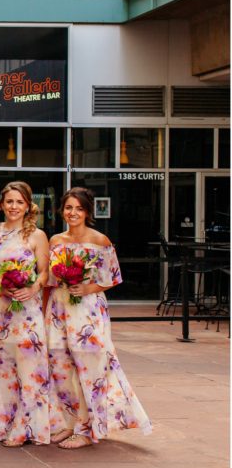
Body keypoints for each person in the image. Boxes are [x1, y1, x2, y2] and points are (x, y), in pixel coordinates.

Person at [45, 187, 151, 449]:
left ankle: (86, 429)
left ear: (87, 212)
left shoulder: (100, 240)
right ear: (62, 210)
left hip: (88, 310)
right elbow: (50, 280)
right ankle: (69, 422)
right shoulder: (55, 240)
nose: (73, 213)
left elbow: (113, 277)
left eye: (79, 208)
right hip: (59, 309)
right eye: (68, 208)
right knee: (59, 365)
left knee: (89, 368)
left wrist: (87, 288)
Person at [0, 181, 50, 447]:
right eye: (9, 202)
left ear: (27, 206)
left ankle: (26, 427)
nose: (14, 207)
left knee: (29, 367)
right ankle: (1, 423)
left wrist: (32, 288)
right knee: (1, 366)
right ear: (1, 204)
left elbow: (44, 273)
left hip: (27, 309)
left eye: (19, 202)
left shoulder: (37, 235)